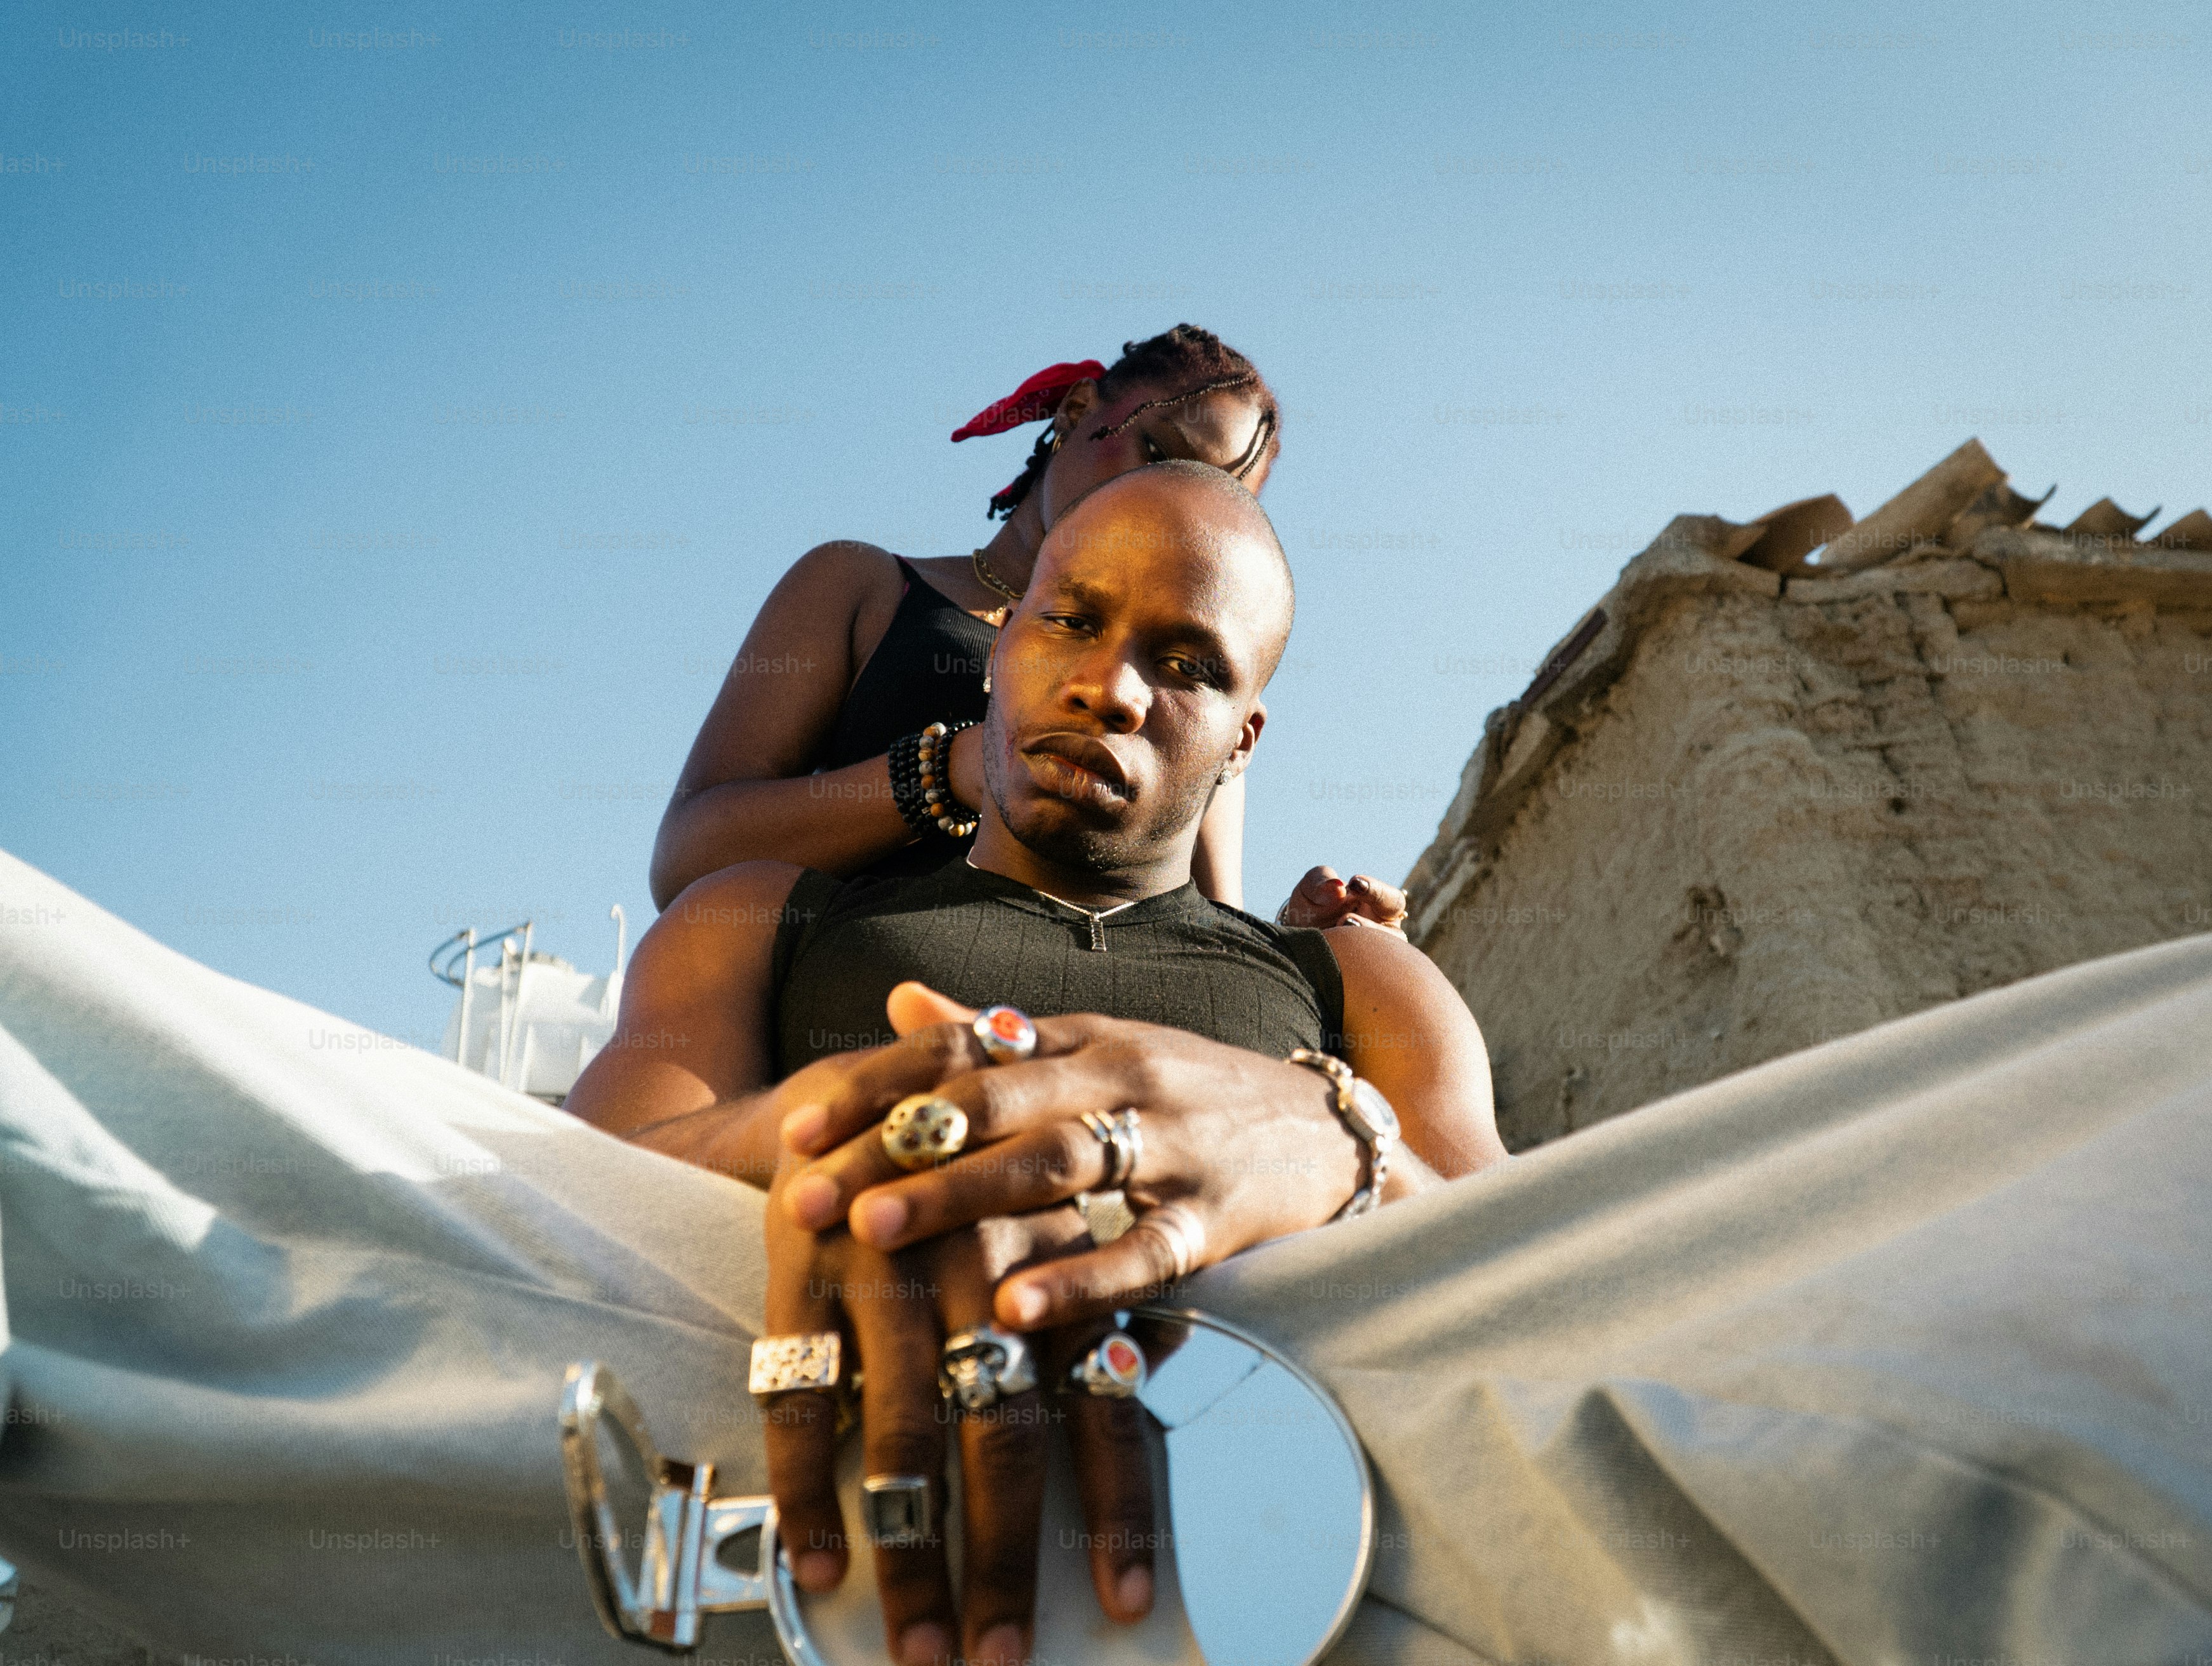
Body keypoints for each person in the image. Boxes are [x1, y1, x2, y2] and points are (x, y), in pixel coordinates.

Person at [567, 460, 1506, 1666]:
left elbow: (1530, 1270)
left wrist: (1337, 1132)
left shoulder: (1361, 981)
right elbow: (569, 1207)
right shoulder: (755, 919)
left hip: (1283, 1584)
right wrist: (855, 1144)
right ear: (1004, 646)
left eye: (1188, 666)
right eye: (1073, 619)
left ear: (1242, 737)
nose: (1110, 687)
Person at [647, 324, 1408, 933]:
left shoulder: (1190, 698)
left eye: (1199, 492)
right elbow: (690, 859)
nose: (1156, 500)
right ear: (1078, 412)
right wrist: (956, 770)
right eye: (1156, 455)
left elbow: (1200, 933)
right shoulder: (858, 584)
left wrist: (1300, 939)